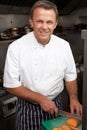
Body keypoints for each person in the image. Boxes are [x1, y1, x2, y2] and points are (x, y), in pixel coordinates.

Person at [3, 0, 82, 130]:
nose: (44, 27)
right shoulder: (16, 47)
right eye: (40, 21)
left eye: (49, 22)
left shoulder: (64, 46)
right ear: (31, 22)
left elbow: (70, 75)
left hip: (56, 106)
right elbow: (11, 85)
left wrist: (73, 98)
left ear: (55, 24)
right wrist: (40, 99)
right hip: (28, 108)